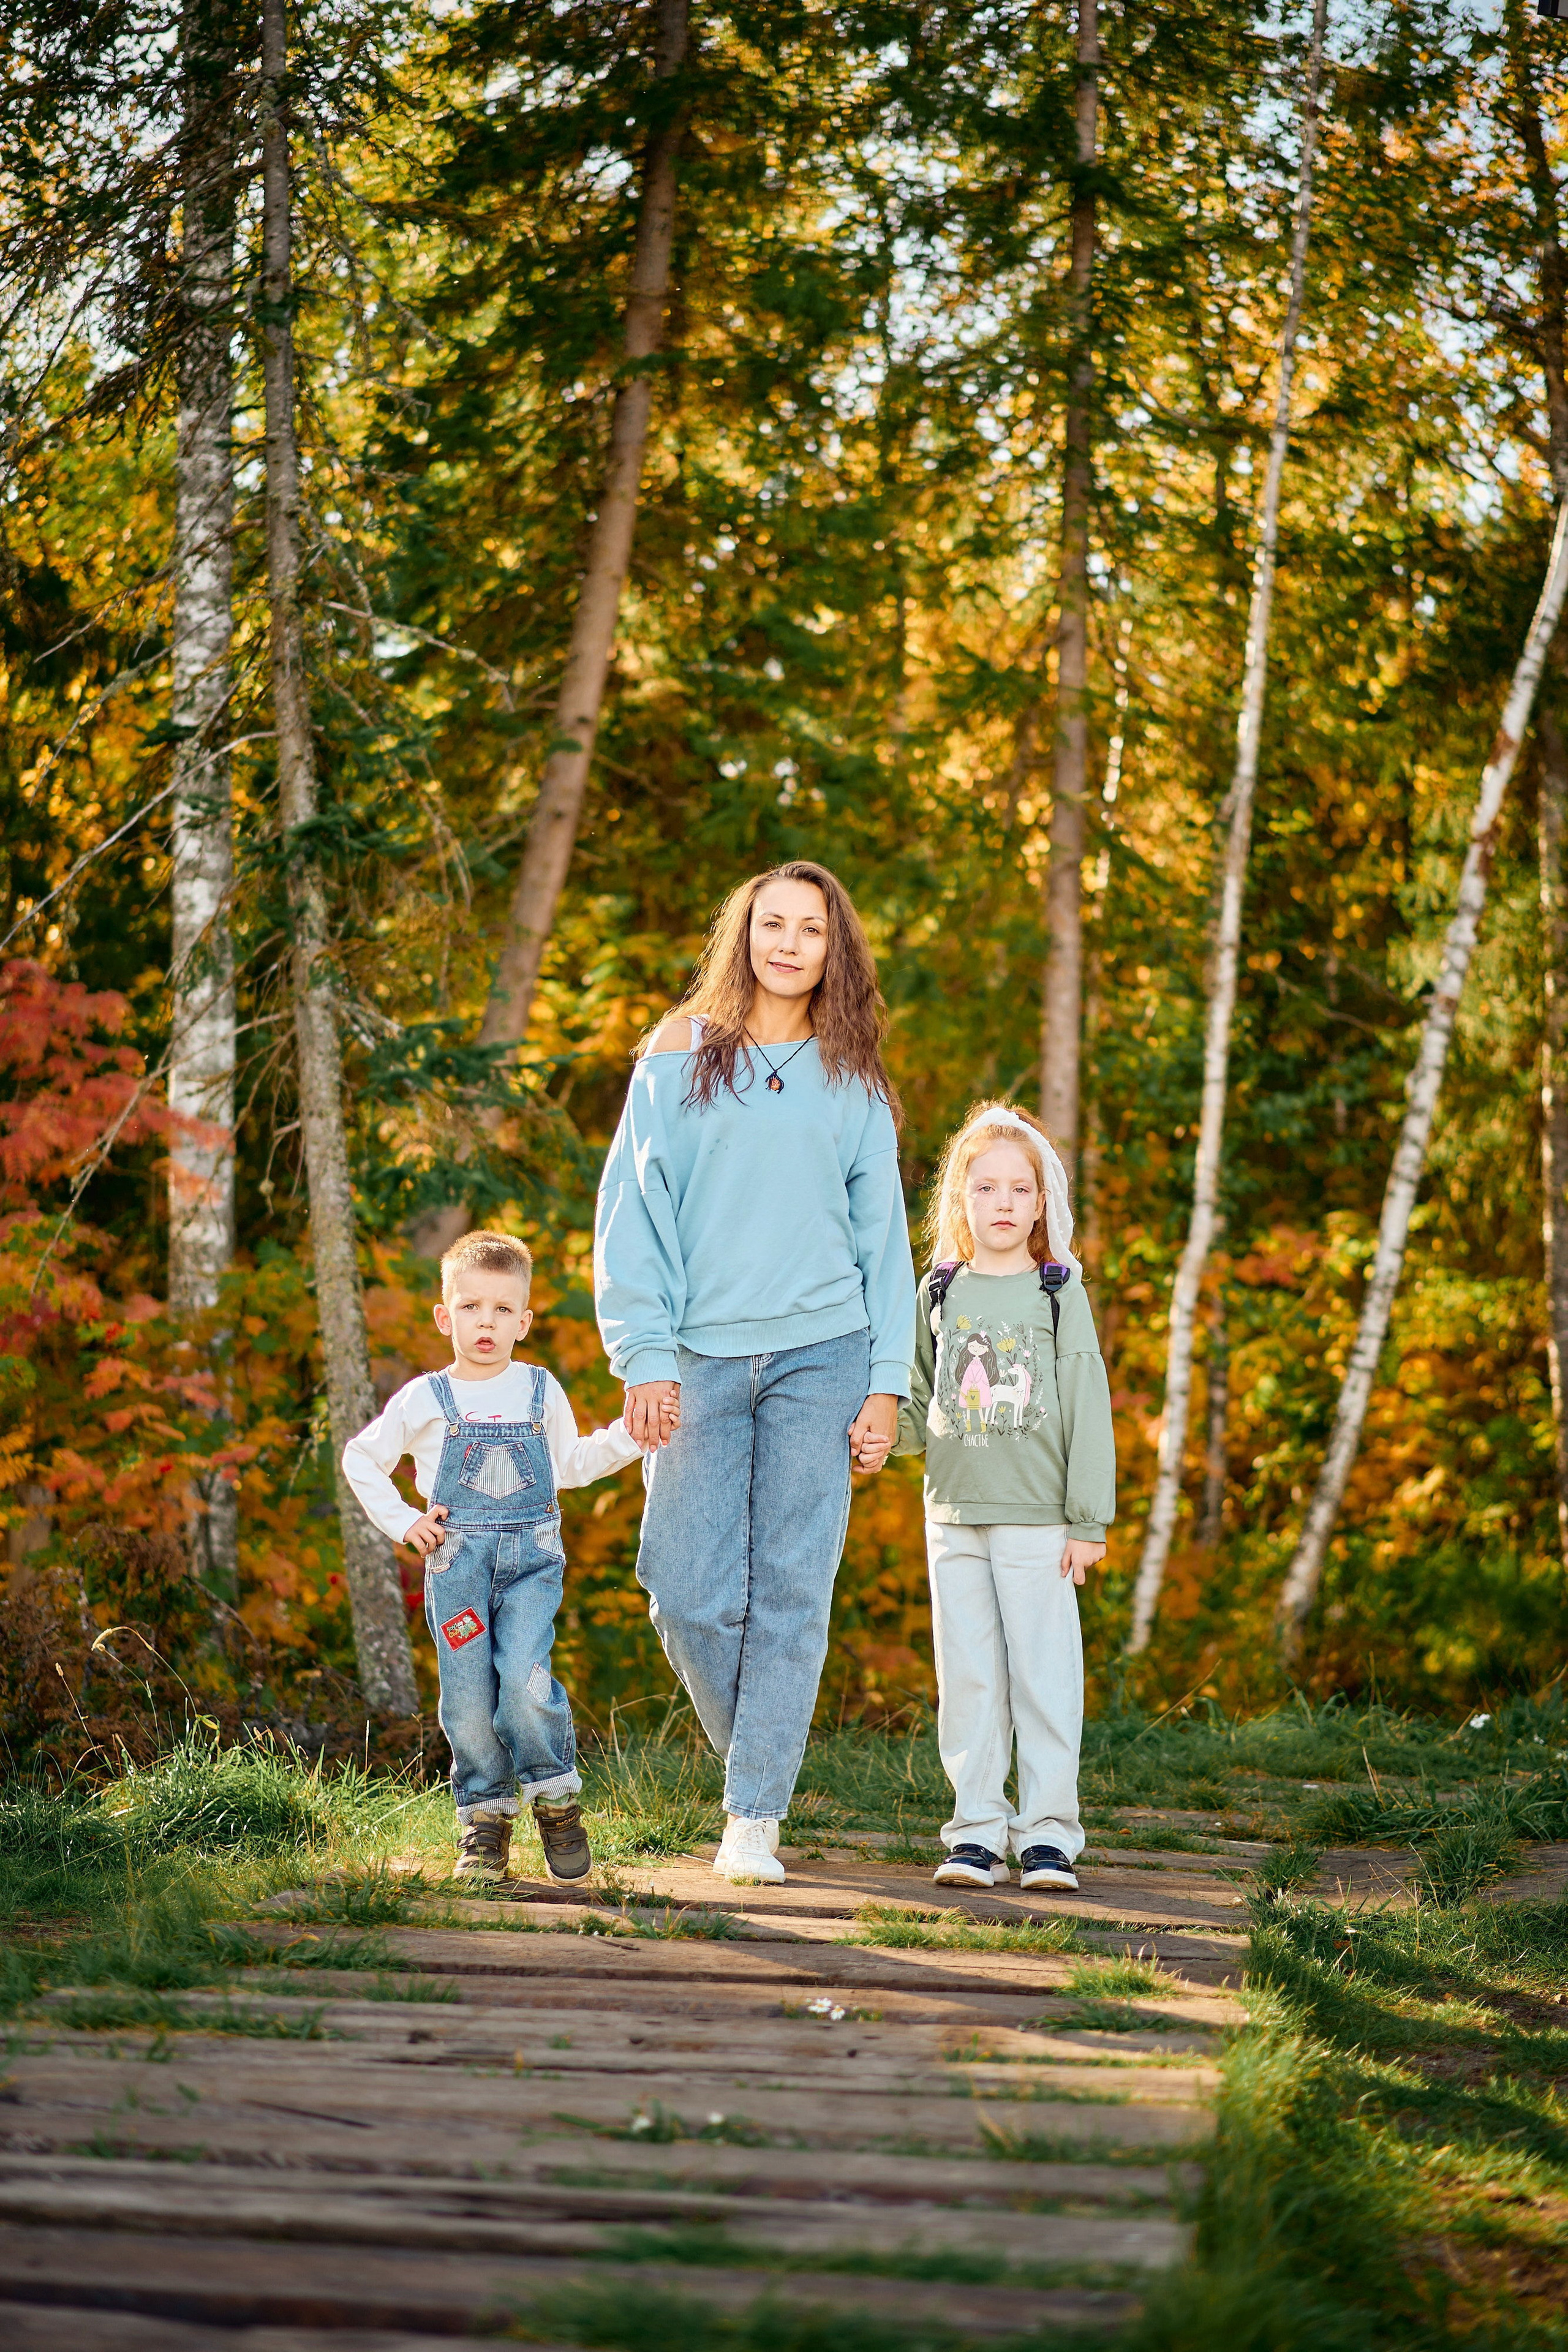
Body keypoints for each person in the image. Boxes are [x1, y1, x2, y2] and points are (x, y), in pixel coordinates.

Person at [594, 861, 914, 1885]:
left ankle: (753, 1816)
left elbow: (885, 1245)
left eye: (810, 930)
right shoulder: (678, 1052)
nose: (788, 944)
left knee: (790, 1590)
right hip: (696, 1356)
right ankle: (762, 1758)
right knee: (684, 1589)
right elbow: (632, 1211)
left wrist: (887, 1384)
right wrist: (644, 1354)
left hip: (825, 1354)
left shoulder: (854, 1078)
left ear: (834, 951)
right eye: (772, 924)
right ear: (744, 936)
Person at [342, 1229, 671, 1883]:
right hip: (456, 1570)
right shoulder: (425, 1397)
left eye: (501, 1310)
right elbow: (361, 1457)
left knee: (522, 1680)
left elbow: (569, 1467)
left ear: (524, 1321)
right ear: (445, 1317)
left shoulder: (540, 1389)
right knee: (468, 1700)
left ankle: (554, 1795)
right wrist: (405, 1522)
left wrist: (630, 1438)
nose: (485, 1323)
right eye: (470, 1308)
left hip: (530, 1566)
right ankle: (485, 1820)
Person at [895, 1103, 1115, 1893]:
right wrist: (876, 1436)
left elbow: (1087, 1406)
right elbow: (915, 1404)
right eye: (984, 1187)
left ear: (1041, 1202)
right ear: (960, 1199)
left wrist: (1088, 1519)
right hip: (952, 1516)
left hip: (1039, 1521)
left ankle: (1048, 1835)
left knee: (1043, 1680)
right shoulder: (937, 1291)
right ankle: (976, 1833)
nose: (1002, 1203)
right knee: (970, 1681)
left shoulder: (1058, 1292)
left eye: (1018, 1189)